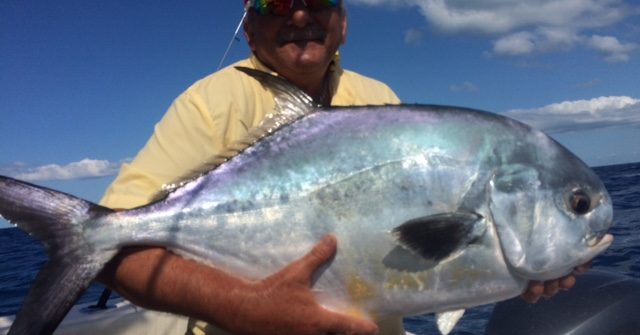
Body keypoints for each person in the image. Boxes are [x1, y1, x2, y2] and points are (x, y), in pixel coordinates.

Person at [97, 1, 587, 334]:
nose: (302, 13)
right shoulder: (208, 105)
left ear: (344, 22)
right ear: (249, 27)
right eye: (276, 2)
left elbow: (422, 258)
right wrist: (248, 310)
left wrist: (517, 267)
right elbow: (108, 249)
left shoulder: (380, 102)